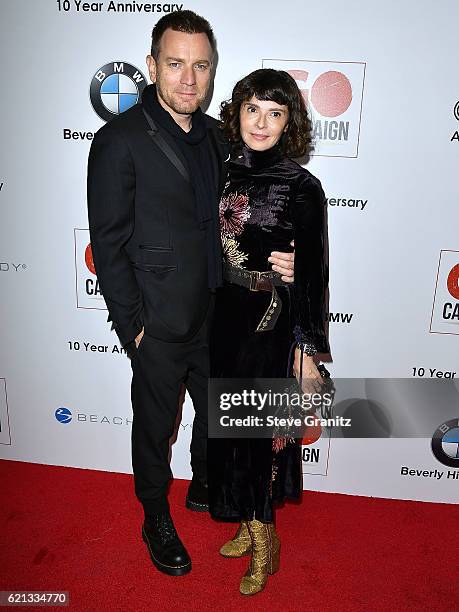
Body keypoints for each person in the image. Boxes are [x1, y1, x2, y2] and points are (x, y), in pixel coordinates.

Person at [87, 11, 295, 577]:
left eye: (200, 66)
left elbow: (251, 213)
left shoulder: (218, 137)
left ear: (212, 71)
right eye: (175, 64)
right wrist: (132, 324)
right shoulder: (118, 141)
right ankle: (154, 513)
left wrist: (291, 250)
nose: (188, 79)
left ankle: (205, 483)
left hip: (218, 313)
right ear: (152, 67)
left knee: (217, 415)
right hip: (156, 320)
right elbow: (108, 243)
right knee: (154, 426)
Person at [208, 69, 330, 595]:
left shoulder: (302, 186)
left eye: (275, 113)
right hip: (221, 315)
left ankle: (265, 544)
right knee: (227, 429)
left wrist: (305, 347)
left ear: (289, 123)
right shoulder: (219, 170)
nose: (262, 123)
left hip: (268, 319)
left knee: (257, 436)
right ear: (237, 112)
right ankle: (243, 520)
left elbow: (316, 273)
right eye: (253, 109)